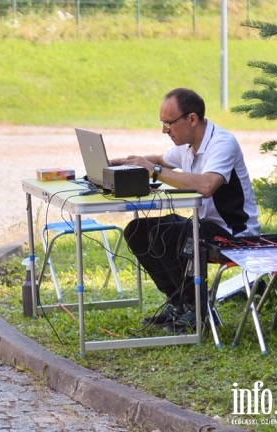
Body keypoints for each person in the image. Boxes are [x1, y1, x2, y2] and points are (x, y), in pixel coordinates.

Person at [111, 87, 260, 333]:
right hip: (204, 226)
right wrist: (128, 162)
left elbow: (207, 185)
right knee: (139, 230)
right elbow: (160, 159)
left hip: (234, 232)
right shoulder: (187, 143)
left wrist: (154, 170)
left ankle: (197, 309)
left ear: (191, 119)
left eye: (168, 123)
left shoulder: (222, 143)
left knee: (181, 235)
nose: (164, 130)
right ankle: (178, 302)